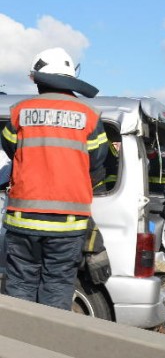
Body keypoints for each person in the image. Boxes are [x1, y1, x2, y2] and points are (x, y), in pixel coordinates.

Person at [0, 47, 108, 310]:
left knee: (20, 285)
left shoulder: (18, 113)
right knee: (57, 287)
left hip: (23, 219)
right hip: (67, 226)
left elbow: (10, 149)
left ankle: (18, 346)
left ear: (38, 80)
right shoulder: (90, 117)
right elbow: (97, 161)